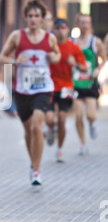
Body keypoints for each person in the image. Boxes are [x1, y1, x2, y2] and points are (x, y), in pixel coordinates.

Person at [0, 0, 61, 186]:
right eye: (30, 16)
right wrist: (15, 62)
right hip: (22, 89)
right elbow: (2, 56)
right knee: (28, 130)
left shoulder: (49, 38)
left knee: (36, 126)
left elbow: (57, 55)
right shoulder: (17, 36)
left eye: (37, 16)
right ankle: (33, 163)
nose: (33, 19)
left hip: (43, 88)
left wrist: (53, 56)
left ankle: (36, 169)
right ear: (26, 18)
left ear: (42, 19)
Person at [45, 19, 87, 162]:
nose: (61, 30)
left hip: (66, 87)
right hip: (50, 87)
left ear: (67, 29)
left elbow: (84, 67)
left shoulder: (73, 47)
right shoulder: (49, 45)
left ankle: (59, 150)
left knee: (62, 119)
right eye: (58, 28)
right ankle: (50, 128)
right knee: (50, 119)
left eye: (63, 27)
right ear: (54, 30)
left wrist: (75, 64)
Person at [72, 13, 106, 155]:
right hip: (75, 83)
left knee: (90, 115)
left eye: (87, 22)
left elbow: (104, 58)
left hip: (90, 82)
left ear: (90, 24)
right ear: (78, 24)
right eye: (82, 22)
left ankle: (92, 123)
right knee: (78, 115)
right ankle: (83, 144)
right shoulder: (72, 42)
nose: (85, 25)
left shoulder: (95, 42)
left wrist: (98, 69)